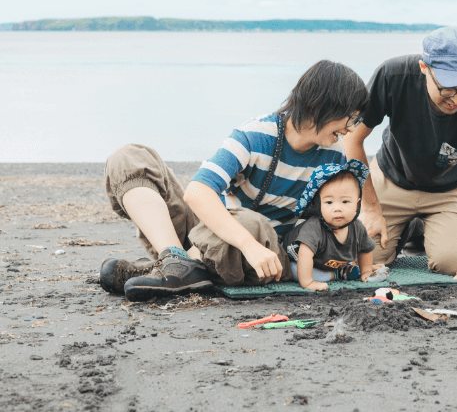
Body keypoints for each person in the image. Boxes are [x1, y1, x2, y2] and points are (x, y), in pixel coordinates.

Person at [99, 60, 369, 301]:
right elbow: (197, 192)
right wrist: (247, 245)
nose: (351, 128)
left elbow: (327, 222)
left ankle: (176, 270)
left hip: (266, 251)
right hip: (220, 235)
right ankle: (175, 261)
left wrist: (354, 257)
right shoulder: (256, 135)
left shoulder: (333, 155)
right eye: (351, 118)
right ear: (325, 106)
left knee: (252, 223)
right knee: (128, 157)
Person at [342, 26, 457, 281]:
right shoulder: (392, 75)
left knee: (452, 263)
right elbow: (352, 138)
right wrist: (371, 208)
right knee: (363, 256)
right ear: (424, 68)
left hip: (452, 189)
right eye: (448, 88)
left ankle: (426, 227)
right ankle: (410, 227)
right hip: (392, 178)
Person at [281, 159, 382, 290]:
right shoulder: (313, 227)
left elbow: (366, 249)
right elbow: (305, 256)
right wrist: (307, 282)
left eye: (345, 202)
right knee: (294, 271)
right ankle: (337, 274)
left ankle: (344, 269)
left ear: (357, 205)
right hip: (296, 258)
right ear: (318, 205)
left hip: (325, 260)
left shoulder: (357, 227)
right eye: (329, 202)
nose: (337, 208)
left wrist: (366, 271)